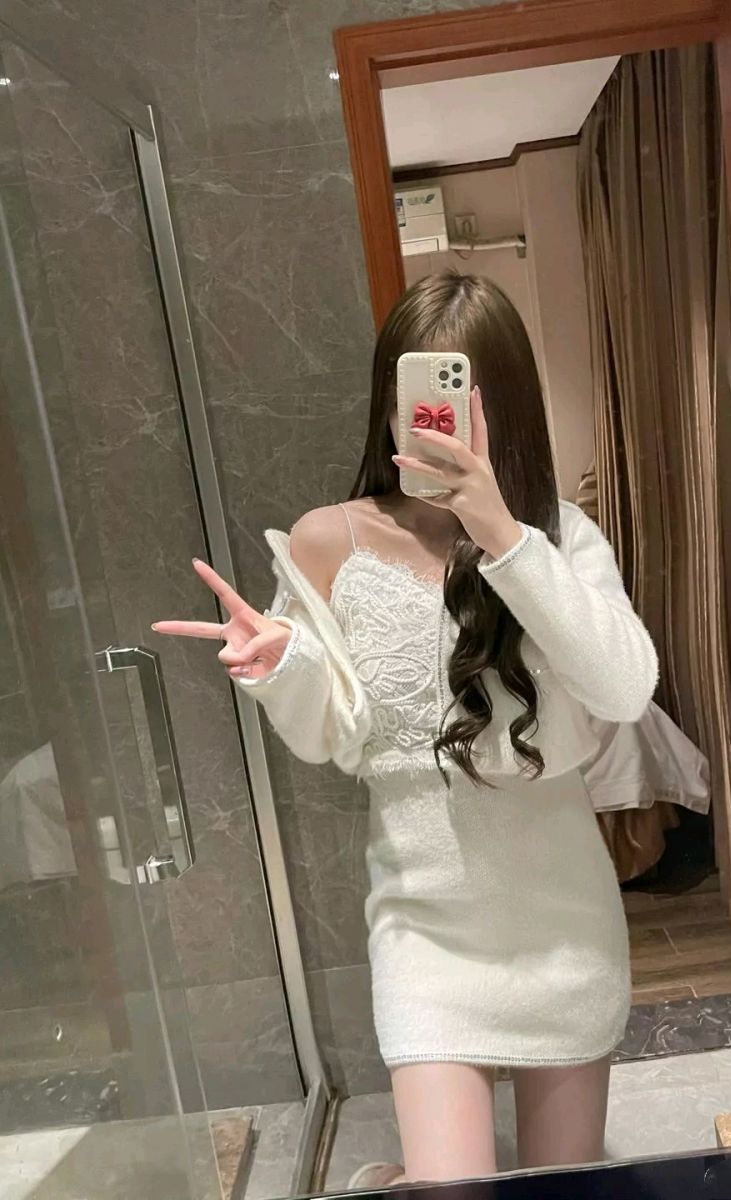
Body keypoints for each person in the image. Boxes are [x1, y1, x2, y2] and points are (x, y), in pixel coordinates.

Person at [153, 272, 658, 1187]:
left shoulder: (560, 538)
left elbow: (624, 689)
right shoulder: (328, 541)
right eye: (412, 401)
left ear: (503, 410)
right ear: (386, 405)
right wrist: (284, 667)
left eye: (457, 404)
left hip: (564, 928)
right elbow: (330, 736)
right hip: (425, 932)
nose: (430, 427)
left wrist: (502, 534)